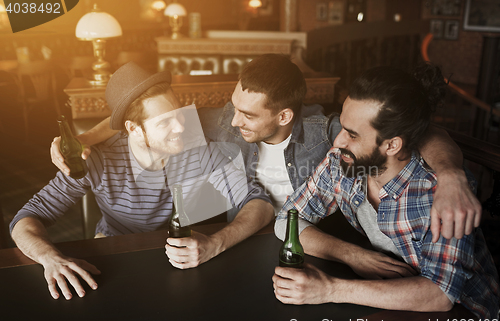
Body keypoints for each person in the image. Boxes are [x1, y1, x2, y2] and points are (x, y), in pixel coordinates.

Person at [51, 54, 480, 279]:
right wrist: (83, 139)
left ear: (284, 116)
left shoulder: (329, 134)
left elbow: (419, 133)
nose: (232, 122)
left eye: (247, 116)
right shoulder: (227, 121)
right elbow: (145, 123)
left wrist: (450, 175)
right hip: (246, 239)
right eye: (234, 109)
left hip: (313, 244)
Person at [10, 62, 274, 300]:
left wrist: (215, 244)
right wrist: (49, 258)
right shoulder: (96, 159)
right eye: (164, 123)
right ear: (133, 130)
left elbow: (260, 204)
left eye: (179, 114)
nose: (181, 127)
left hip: (176, 257)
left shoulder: (196, 146)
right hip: (114, 256)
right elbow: (27, 217)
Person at [272, 64, 499, 321]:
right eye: (343, 128)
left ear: (392, 144)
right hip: (395, 306)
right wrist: (352, 255)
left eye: (352, 135)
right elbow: (287, 219)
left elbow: (441, 294)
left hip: (464, 319)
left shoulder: (438, 192)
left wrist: (330, 289)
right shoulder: (342, 162)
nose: (338, 142)